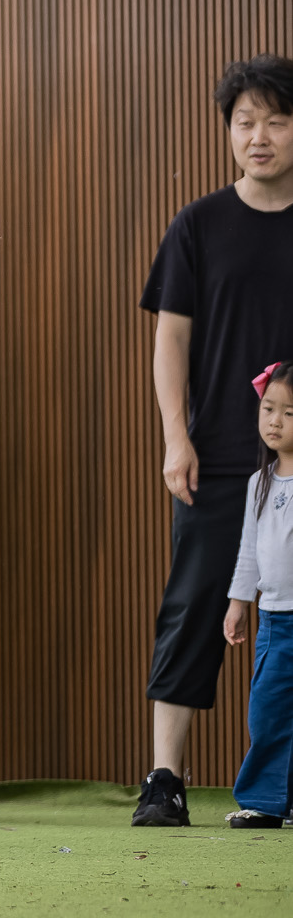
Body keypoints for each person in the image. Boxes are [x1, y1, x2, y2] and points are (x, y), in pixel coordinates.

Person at [137, 56, 293, 828]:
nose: (258, 136)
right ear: (228, 130)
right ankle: (166, 776)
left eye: (275, 120)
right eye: (244, 121)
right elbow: (170, 341)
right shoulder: (198, 224)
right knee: (193, 605)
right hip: (220, 452)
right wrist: (176, 437)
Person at [223, 361, 293, 828]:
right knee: (267, 711)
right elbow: (248, 551)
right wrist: (237, 602)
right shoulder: (259, 482)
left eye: (289, 412)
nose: (274, 421)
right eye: (268, 408)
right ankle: (266, 803)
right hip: (274, 621)